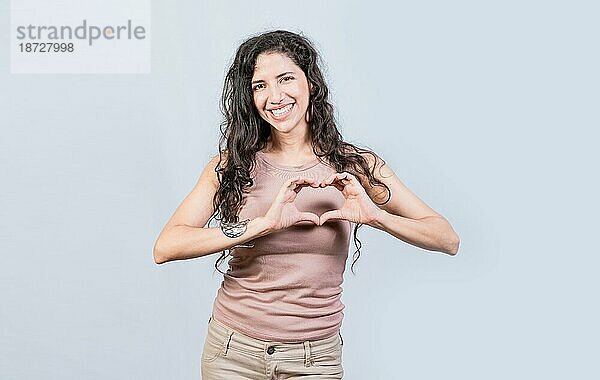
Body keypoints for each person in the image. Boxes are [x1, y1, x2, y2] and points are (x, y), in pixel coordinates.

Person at [153, 29, 460, 379]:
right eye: (260, 85)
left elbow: (447, 238)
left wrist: (377, 217)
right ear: (249, 97)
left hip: (315, 359)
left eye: (286, 79)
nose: (275, 96)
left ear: (310, 83)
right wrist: (263, 224)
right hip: (232, 354)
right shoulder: (231, 165)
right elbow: (166, 246)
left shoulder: (356, 165)